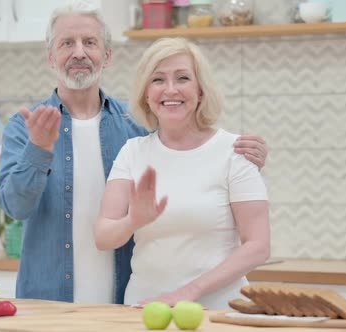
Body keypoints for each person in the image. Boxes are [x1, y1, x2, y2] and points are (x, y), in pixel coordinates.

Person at [0, 3, 269, 305]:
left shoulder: (136, 125)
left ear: (107, 55)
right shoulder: (26, 127)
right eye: (66, 43)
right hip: (47, 299)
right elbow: (15, 208)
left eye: (90, 42)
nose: (79, 53)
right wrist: (39, 149)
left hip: (125, 300)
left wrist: (242, 155)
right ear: (50, 57)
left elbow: (186, 151)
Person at [94, 37, 270, 310]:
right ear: (146, 95)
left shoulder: (235, 152)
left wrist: (189, 292)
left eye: (183, 78)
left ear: (201, 90)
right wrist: (133, 220)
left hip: (218, 312)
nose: (170, 89)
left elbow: (258, 245)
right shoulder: (132, 152)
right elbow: (104, 237)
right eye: (158, 80)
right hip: (143, 311)